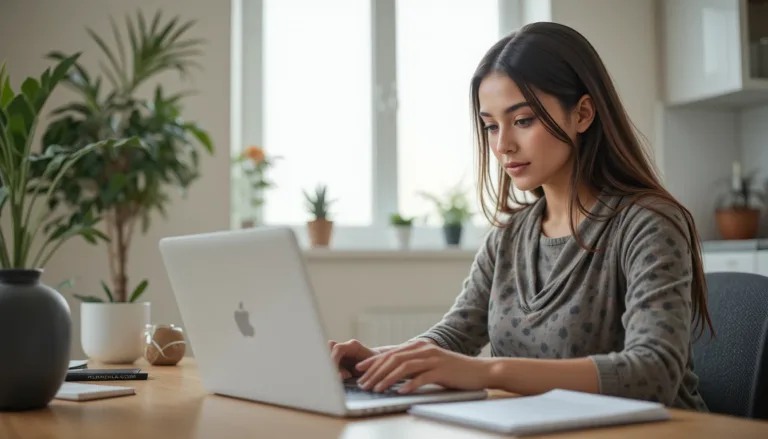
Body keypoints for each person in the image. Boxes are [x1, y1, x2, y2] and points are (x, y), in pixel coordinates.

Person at [328, 21, 714, 411]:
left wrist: (487, 372)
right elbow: (455, 334)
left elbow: (654, 374)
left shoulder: (649, 224)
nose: (503, 145)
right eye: (491, 126)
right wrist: (378, 362)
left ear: (582, 114)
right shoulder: (509, 236)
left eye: (523, 120)